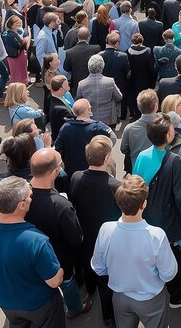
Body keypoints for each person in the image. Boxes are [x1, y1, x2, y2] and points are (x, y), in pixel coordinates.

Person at [91, 175, 177, 328]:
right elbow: (169, 273)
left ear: (119, 203)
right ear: (144, 204)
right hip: (150, 298)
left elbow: (98, 267)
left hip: (119, 297)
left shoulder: (105, 229)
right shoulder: (156, 236)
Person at [0, 176, 65, 327]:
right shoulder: (36, 240)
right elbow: (54, 281)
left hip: (8, 304)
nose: (32, 198)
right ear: (22, 205)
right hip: (41, 306)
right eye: (30, 196)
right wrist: (62, 271)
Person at [133, 114, 181, 309]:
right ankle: (178, 294)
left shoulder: (142, 156)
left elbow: (137, 185)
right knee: (177, 257)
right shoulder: (176, 161)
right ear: (168, 136)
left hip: (147, 216)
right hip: (170, 222)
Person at [26, 148, 91, 320]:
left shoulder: (21, 196)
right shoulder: (61, 205)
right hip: (61, 261)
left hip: (31, 260)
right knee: (68, 282)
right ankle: (75, 307)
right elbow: (76, 238)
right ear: (55, 170)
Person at [70, 136, 121, 326]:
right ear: (107, 158)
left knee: (89, 265)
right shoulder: (116, 186)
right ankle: (107, 317)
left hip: (85, 234)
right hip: (109, 240)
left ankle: (89, 288)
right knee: (106, 281)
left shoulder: (76, 177)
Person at [54, 99, 116, 179]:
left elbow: (57, 149)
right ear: (88, 110)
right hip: (92, 170)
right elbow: (113, 138)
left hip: (71, 173)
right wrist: (103, 150)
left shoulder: (65, 127)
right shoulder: (97, 126)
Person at [77, 54, 123, 128]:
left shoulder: (81, 84)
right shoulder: (110, 81)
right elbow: (119, 97)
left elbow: (78, 100)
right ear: (102, 67)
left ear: (89, 67)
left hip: (90, 119)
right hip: (109, 119)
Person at [120, 89, 159, 172]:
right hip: (159, 173)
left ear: (139, 107)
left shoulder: (129, 128)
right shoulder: (164, 125)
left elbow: (123, 149)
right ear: (156, 106)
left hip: (137, 173)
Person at [63, 26, 101, 96]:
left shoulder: (70, 52)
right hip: (93, 83)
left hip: (77, 84)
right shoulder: (96, 49)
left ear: (77, 37)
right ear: (89, 37)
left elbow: (66, 68)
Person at [127, 33, 156, 118]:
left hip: (132, 79)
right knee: (145, 97)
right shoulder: (147, 51)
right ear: (142, 40)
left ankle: (134, 113)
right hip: (145, 79)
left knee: (133, 96)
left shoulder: (127, 52)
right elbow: (152, 67)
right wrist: (153, 81)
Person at [2, 15, 30, 84]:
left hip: (16, 56)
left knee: (19, 73)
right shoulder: (10, 34)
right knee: (17, 75)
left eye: (19, 22)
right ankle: (18, 89)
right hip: (16, 57)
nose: (19, 24)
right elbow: (21, 46)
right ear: (11, 24)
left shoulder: (18, 31)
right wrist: (28, 38)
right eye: (16, 22)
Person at [48, 74, 74, 141]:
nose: (68, 85)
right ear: (60, 89)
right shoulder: (61, 109)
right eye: (66, 85)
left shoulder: (52, 96)